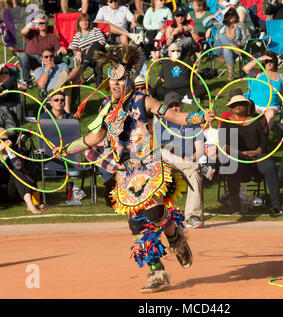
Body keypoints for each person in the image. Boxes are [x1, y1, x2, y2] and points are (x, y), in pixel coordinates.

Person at [53, 44, 216, 293]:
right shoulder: (107, 109)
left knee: (153, 214)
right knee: (135, 226)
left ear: (128, 80)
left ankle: (175, 237)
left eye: (120, 80)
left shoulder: (143, 101)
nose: (116, 85)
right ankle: (157, 272)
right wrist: (67, 148)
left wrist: (200, 117)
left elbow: (176, 118)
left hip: (149, 167)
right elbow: (94, 138)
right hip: (125, 174)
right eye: (112, 81)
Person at [218, 93, 283, 216]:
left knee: (269, 166)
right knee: (231, 169)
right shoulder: (225, 122)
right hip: (236, 157)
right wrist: (240, 154)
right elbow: (223, 144)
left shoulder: (255, 121)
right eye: (235, 104)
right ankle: (236, 207)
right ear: (230, 107)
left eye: (241, 104)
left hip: (256, 156)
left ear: (246, 106)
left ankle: (276, 205)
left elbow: (264, 140)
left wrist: (257, 151)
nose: (238, 106)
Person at [156, 92, 206, 229]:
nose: (174, 109)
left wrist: (191, 158)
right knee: (163, 152)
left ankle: (193, 216)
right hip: (166, 161)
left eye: (176, 105)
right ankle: (154, 214)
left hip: (186, 163)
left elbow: (200, 149)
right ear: (165, 109)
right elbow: (159, 147)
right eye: (170, 106)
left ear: (181, 105)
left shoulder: (193, 123)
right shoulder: (160, 123)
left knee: (194, 171)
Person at [0, 127, 41, 216]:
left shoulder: (16, 151)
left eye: (4, 140)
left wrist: (9, 150)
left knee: (17, 171)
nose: (1, 143)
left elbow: (19, 167)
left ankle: (30, 205)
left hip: (12, 192)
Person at [242, 51, 283, 131]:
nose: (268, 63)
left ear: (275, 62)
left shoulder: (280, 76)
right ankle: (254, 137)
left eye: (271, 61)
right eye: (266, 61)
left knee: (270, 113)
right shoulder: (258, 73)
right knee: (254, 114)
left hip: (272, 106)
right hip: (256, 105)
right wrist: (261, 58)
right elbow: (245, 69)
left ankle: (264, 138)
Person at [18, 13, 68, 88]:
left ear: (47, 23)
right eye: (39, 23)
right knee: (22, 55)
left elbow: (58, 49)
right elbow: (23, 32)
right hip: (30, 58)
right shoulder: (32, 33)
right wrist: (33, 22)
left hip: (44, 59)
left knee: (50, 57)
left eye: (42, 23)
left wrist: (62, 49)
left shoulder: (52, 37)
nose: (40, 24)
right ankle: (27, 82)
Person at [68, 13, 107, 89]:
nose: (84, 23)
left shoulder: (95, 30)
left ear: (89, 22)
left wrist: (91, 48)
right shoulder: (77, 35)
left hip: (99, 51)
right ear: (79, 23)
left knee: (95, 46)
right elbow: (74, 48)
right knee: (96, 60)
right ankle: (98, 82)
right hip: (88, 56)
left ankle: (84, 65)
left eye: (86, 21)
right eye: (82, 21)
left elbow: (102, 41)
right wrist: (78, 53)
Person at [212, 7, 250, 81]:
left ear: (236, 15)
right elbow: (205, 23)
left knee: (227, 49)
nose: (230, 16)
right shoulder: (221, 26)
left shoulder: (240, 25)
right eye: (228, 15)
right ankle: (239, 52)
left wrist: (240, 43)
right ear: (225, 17)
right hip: (219, 48)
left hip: (232, 50)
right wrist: (215, 16)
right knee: (221, 36)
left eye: (232, 14)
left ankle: (230, 75)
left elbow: (247, 38)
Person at [33, 48, 73, 113]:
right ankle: (67, 114)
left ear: (54, 57)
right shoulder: (39, 70)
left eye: (51, 56)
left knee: (67, 84)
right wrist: (47, 69)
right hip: (50, 93)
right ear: (42, 59)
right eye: (46, 57)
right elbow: (41, 85)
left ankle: (67, 111)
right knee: (64, 88)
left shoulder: (62, 65)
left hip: (64, 88)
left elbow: (66, 75)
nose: (49, 59)